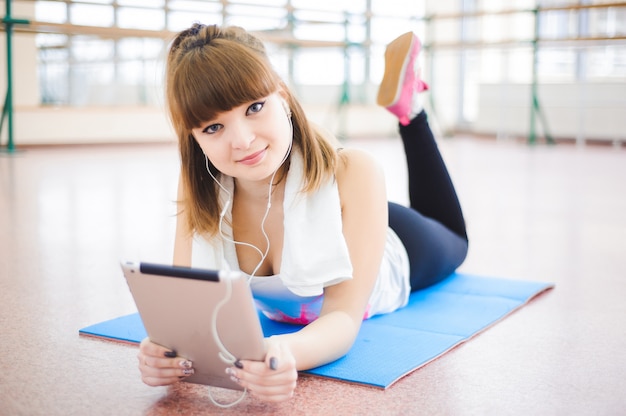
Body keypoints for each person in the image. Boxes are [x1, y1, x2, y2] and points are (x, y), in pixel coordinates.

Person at [137, 25, 468, 403]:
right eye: (214, 127)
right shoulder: (200, 187)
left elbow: (343, 319)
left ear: (281, 92)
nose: (242, 140)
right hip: (325, 207)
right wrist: (163, 353)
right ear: (194, 139)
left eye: (255, 107)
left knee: (456, 241)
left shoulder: (357, 172)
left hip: (392, 245)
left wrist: (285, 352)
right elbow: (189, 314)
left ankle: (411, 112)